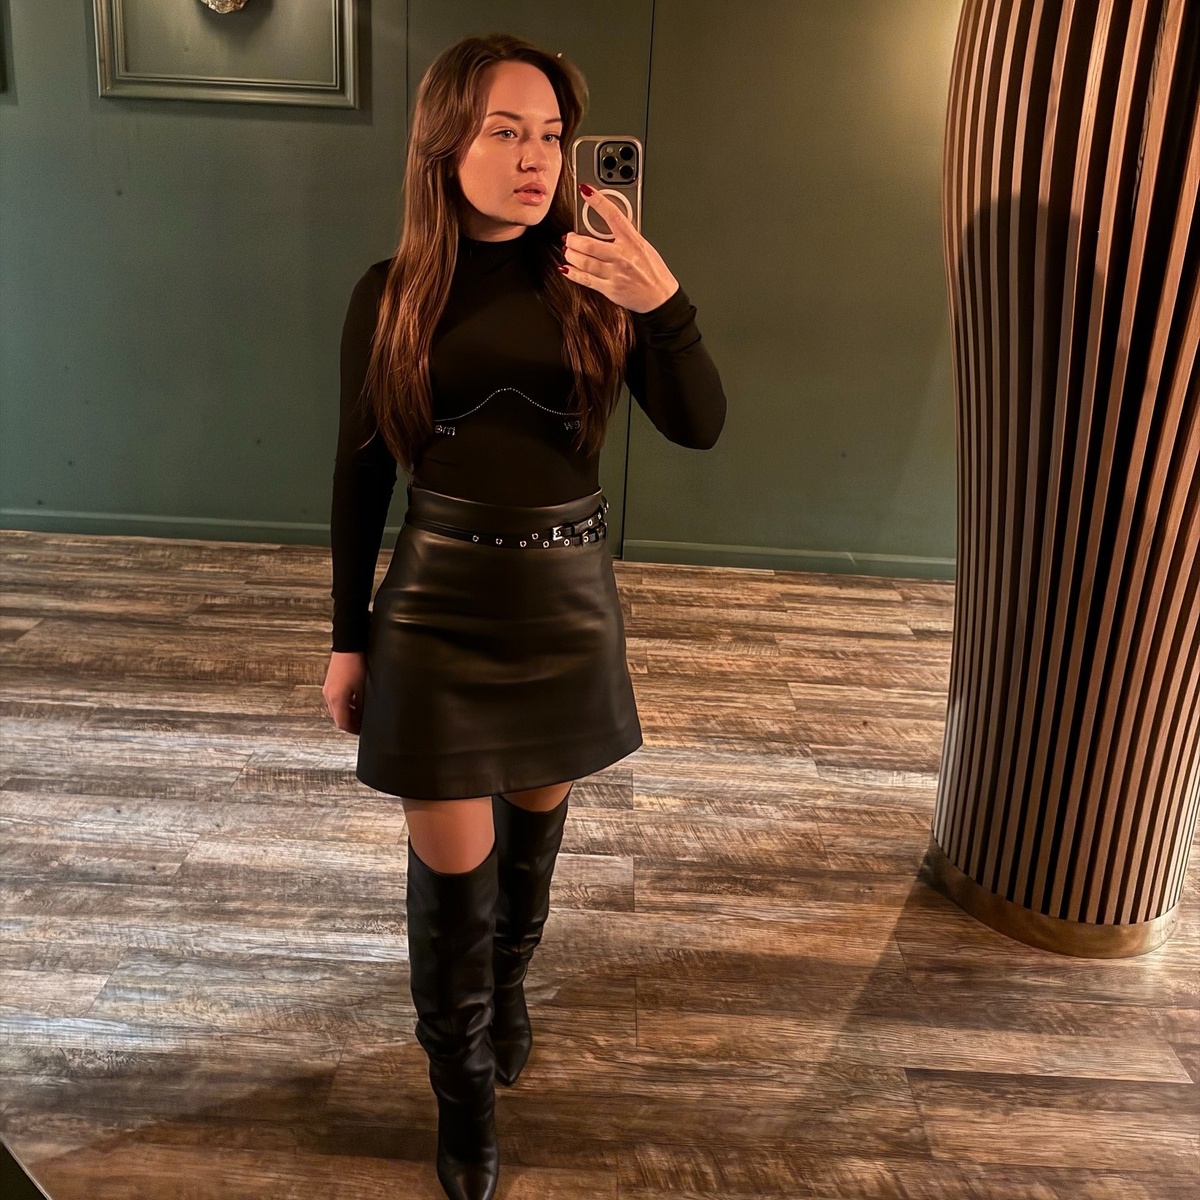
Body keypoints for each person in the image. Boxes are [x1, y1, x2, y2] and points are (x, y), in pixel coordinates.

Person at [322, 33, 726, 1200]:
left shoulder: (598, 277)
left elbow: (700, 424)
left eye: (550, 134)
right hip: (436, 611)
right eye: (504, 131)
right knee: (454, 877)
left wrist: (663, 302)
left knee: (532, 850)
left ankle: (508, 991)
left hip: (565, 607)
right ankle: (463, 1105)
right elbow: (358, 475)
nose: (535, 156)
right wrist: (347, 636)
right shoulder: (391, 291)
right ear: (444, 144)